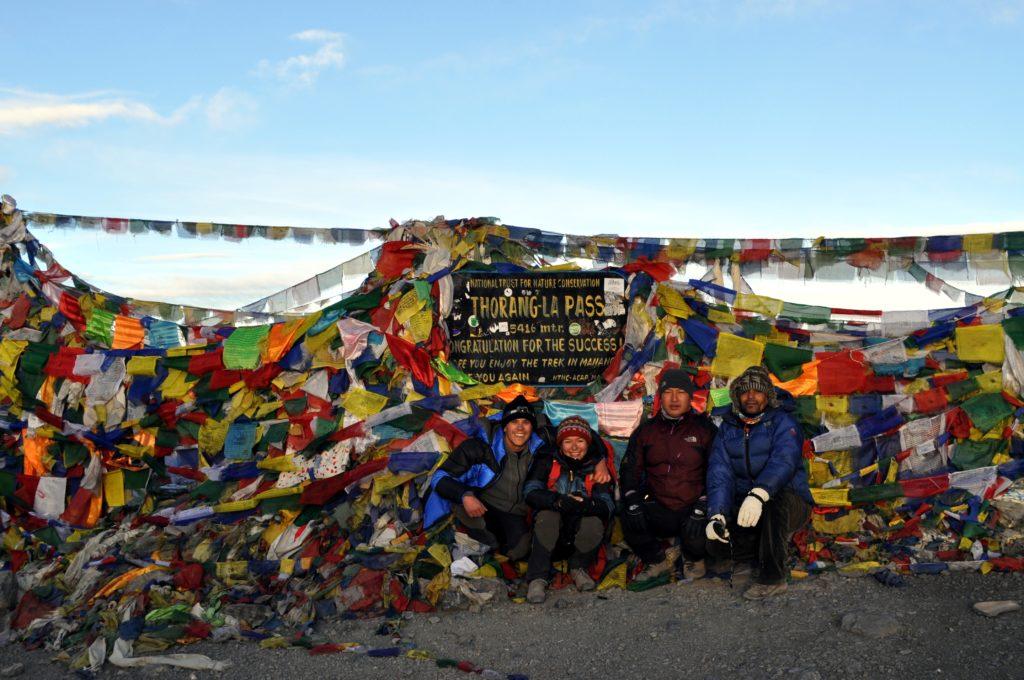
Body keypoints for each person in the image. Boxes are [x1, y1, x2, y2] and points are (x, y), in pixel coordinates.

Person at [705, 364, 813, 600]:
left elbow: (783, 462)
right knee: (712, 531)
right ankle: (744, 559)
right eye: (745, 391)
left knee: (775, 502)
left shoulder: (784, 423)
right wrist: (717, 513)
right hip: (747, 502)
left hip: (788, 501)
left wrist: (759, 494)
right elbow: (719, 473)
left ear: (768, 395)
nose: (751, 397)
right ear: (736, 396)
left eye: (758, 391)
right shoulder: (728, 428)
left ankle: (773, 577)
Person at [423, 395, 551, 559]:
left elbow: (577, 437)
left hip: (516, 513)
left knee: (519, 553)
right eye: (514, 422)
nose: (520, 428)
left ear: (532, 427)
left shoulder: (541, 447)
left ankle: (502, 551)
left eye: (526, 423)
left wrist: (596, 463)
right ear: (505, 426)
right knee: (486, 539)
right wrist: (465, 495)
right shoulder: (479, 447)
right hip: (484, 505)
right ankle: (484, 543)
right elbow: (439, 477)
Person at [619, 368, 717, 581]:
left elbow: (718, 472)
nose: (674, 399)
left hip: (694, 505)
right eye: (668, 392)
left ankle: (694, 558)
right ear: (660, 396)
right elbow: (630, 470)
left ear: (690, 397)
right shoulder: (646, 431)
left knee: (704, 529)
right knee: (628, 512)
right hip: (660, 505)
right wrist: (632, 500)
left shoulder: (705, 430)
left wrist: (703, 504)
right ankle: (656, 561)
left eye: (681, 392)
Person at [522, 415, 616, 604]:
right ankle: (538, 577)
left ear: (588, 444)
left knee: (594, 521)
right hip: (549, 535)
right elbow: (530, 491)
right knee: (548, 515)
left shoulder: (596, 467)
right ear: (560, 444)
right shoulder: (547, 460)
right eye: (568, 441)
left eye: (580, 441)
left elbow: (608, 504)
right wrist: (558, 501)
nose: (574, 447)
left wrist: (586, 504)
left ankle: (578, 567)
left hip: (579, 536)